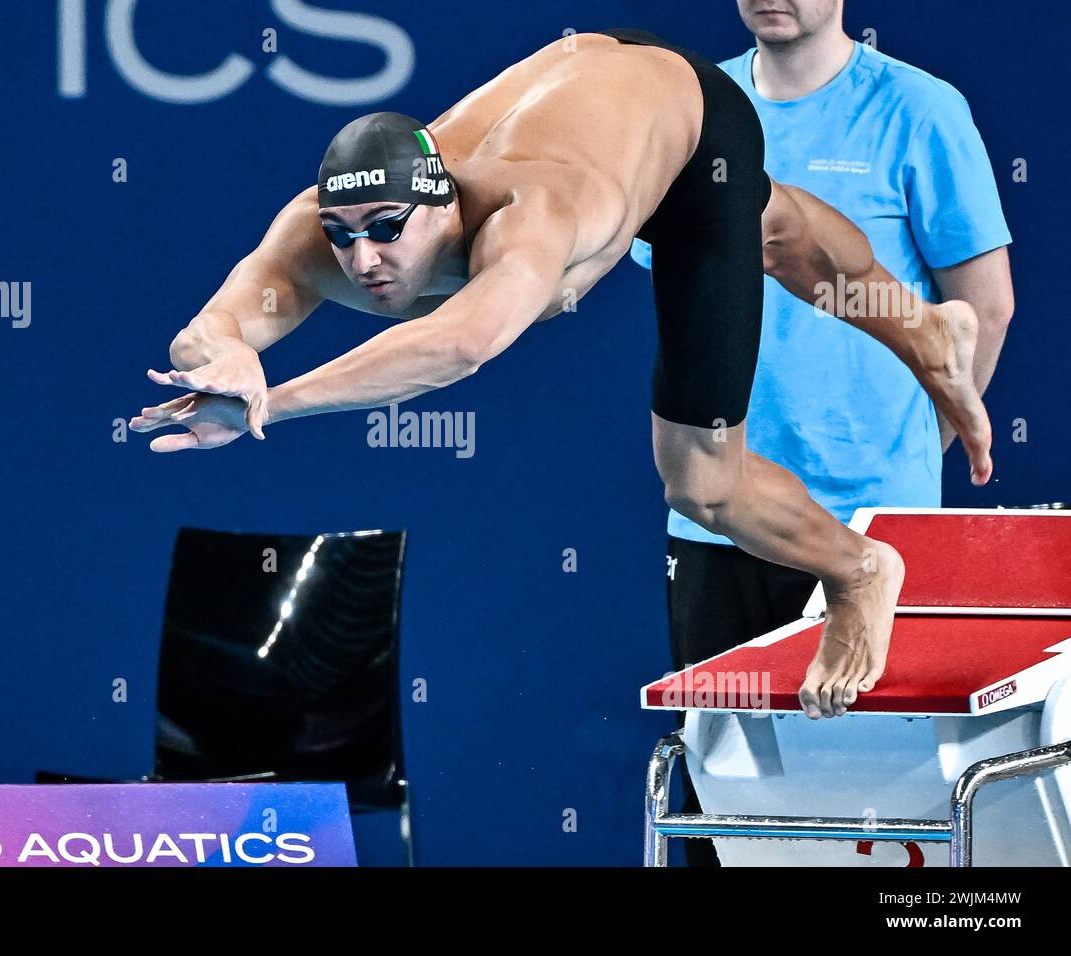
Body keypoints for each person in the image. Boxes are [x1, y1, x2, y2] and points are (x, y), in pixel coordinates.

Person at [130, 29, 994, 721]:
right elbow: (206, 329)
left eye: (388, 228)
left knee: (703, 481)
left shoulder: (527, 213)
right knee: (776, 225)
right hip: (596, 86)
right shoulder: (325, 233)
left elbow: (459, 345)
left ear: (444, 204)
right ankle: (927, 328)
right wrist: (228, 353)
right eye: (342, 234)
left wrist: (269, 404)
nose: (363, 259)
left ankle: (858, 572)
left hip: (688, 121)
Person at [630, 5, 1013, 865]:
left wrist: (912, 449)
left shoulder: (921, 111)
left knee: (882, 825)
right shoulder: (692, 108)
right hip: (720, 523)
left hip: (876, 522)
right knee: (728, 824)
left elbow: (982, 309)